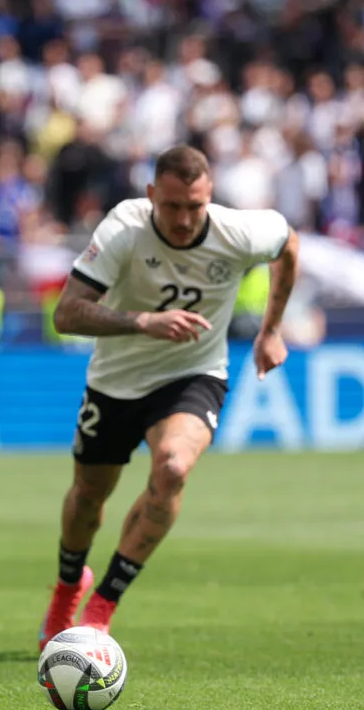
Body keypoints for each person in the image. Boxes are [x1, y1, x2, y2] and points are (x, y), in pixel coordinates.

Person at [38, 145, 299, 647]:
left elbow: (289, 244)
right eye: (173, 206)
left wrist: (272, 330)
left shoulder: (238, 231)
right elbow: (66, 314)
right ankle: (68, 587)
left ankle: (102, 606)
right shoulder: (124, 228)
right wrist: (142, 322)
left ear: (210, 197)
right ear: (152, 195)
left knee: (174, 468)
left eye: (195, 206)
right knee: (90, 496)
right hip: (115, 380)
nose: (184, 220)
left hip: (193, 373)